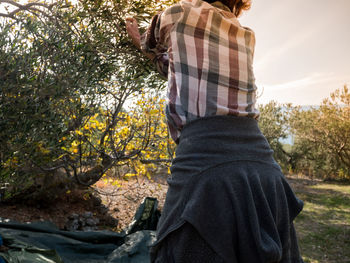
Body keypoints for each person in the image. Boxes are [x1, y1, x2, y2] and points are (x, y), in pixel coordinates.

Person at [126, 0, 304, 262]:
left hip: (204, 163)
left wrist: (139, 40)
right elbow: (181, 67)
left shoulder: (177, 13)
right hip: (264, 169)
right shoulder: (245, 35)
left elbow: (150, 43)